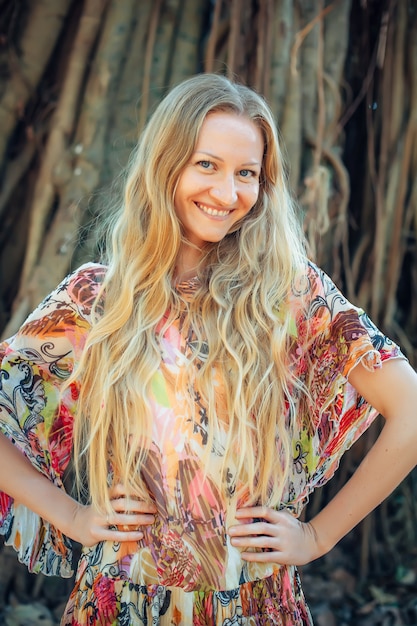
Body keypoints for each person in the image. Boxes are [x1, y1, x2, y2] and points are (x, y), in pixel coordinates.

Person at [0, 73, 416, 626]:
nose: (227, 194)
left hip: (254, 607)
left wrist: (317, 535)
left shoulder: (293, 297)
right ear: (165, 163)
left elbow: (411, 407)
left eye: (247, 174)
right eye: (206, 165)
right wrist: (71, 515)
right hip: (121, 605)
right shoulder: (98, 299)